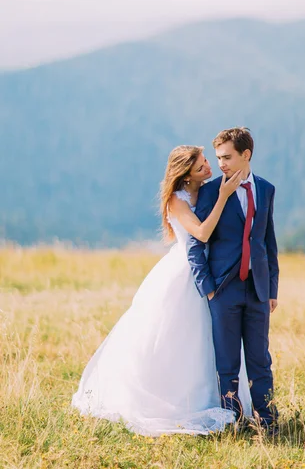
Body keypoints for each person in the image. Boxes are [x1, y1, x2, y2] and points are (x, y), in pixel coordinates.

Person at [72, 145, 251, 436]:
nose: (209, 168)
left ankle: (223, 398)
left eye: (207, 162)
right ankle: (178, 401)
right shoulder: (177, 201)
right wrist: (224, 197)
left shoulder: (204, 191)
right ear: (187, 176)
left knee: (211, 337)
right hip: (183, 274)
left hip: (213, 271)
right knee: (177, 337)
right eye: (201, 167)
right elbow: (202, 233)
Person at [187, 127, 279, 432]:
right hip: (223, 288)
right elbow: (195, 244)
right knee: (227, 362)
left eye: (227, 157)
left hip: (258, 289)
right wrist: (209, 289)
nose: (221, 164)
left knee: (259, 359)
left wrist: (272, 289)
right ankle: (233, 422)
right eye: (218, 158)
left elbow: (268, 242)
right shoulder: (211, 191)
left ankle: (267, 421)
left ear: (246, 155)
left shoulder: (266, 189)